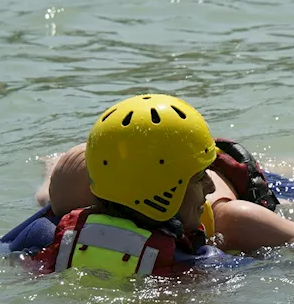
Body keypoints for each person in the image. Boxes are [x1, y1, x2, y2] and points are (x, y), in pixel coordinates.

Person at [1, 116, 294, 257]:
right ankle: (53, 164)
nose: (204, 185)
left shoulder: (234, 219)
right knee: (50, 192)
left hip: (233, 180)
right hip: (140, 162)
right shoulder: (67, 207)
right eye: (197, 180)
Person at [25, 93, 230, 278]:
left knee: (54, 199)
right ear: (161, 189)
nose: (210, 187)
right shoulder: (194, 263)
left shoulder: (44, 234)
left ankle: (52, 167)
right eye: (199, 177)